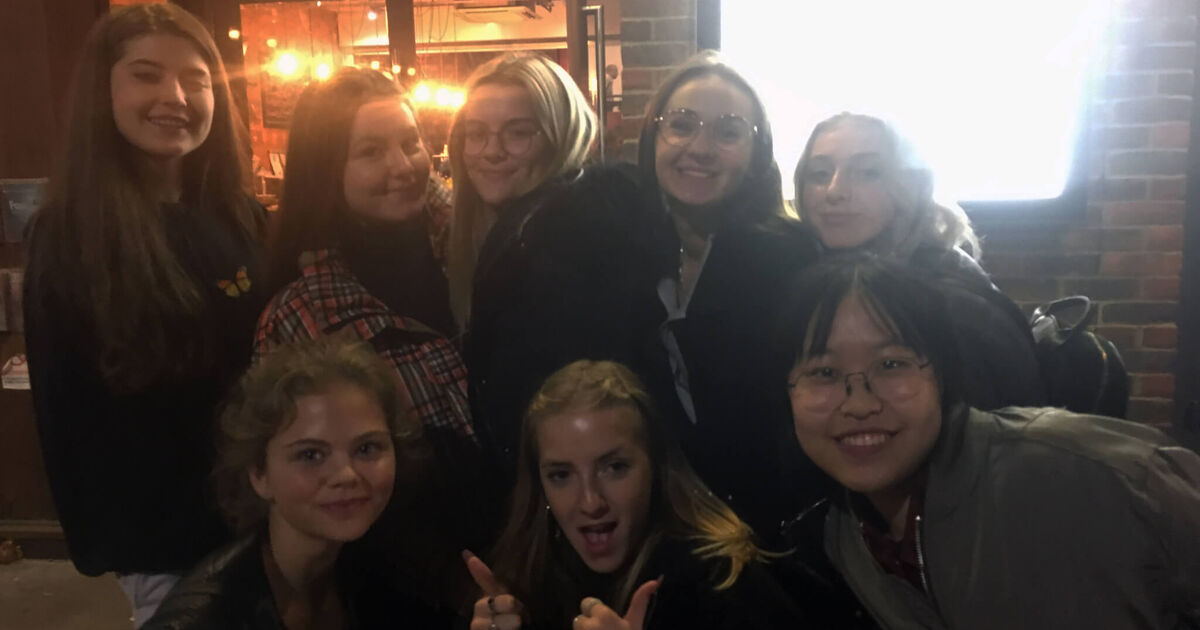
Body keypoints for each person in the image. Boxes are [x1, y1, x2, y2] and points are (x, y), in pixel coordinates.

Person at [781, 255, 1200, 629]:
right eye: (824, 373)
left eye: (891, 364)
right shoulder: (846, 538)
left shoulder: (1090, 473)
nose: (859, 404)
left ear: (943, 375)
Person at [23, 4, 265, 624]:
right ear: (102, 91)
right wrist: (116, 545)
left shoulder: (240, 216)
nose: (175, 97)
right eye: (147, 75)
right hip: (163, 543)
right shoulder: (68, 235)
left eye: (196, 79)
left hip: (269, 512)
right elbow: (64, 411)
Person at [254, 67, 492, 607]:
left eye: (411, 142)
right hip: (404, 581)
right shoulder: (304, 314)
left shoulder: (480, 246)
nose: (402, 166)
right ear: (326, 171)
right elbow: (309, 481)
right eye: (370, 152)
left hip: (524, 542)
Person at [465, 360, 808, 630]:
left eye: (614, 467)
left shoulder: (725, 584)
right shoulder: (530, 582)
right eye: (561, 475)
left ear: (656, 467)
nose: (590, 502)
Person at [144, 338, 454, 630]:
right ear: (259, 474)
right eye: (310, 455)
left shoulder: (386, 563)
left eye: (367, 448)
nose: (347, 475)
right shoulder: (202, 619)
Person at [792, 113, 1045, 410]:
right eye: (819, 174)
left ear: (911, 185)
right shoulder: (859, 280)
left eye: (868, 173)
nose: (835, 191)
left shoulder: (951, 306)